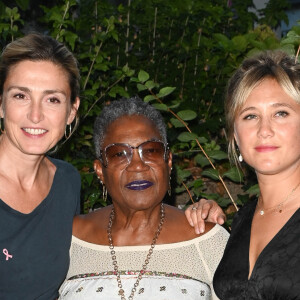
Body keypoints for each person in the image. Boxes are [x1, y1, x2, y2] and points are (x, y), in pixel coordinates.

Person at [58, 97, 229, 300]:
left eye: (151, 151)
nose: (137, 165)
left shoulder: (206, 240)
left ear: (168, 161)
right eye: (120, 154)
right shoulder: (68, 239)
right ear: (100, 171)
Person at [186, 50, 300, 299]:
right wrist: (209, 227)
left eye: (280, 113)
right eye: (250, 116)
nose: (264, 130)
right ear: (236, 136)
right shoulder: (241, 221)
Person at [0, 33, 81, 299]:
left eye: (52, 99)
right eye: (21, 96)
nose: (35, 115)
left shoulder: (67, 181)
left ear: (71, 111)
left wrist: (190, 219)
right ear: (1, 104)